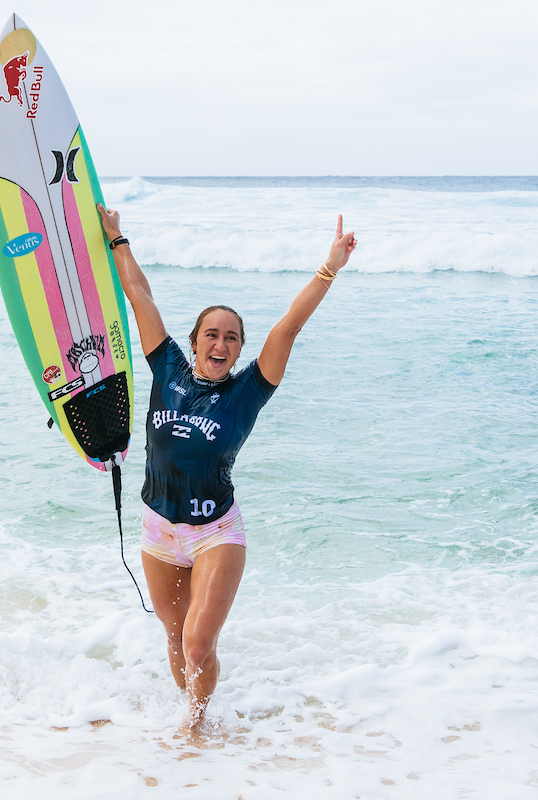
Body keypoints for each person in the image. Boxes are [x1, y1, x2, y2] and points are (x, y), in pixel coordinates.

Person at [96, 203, 357, 737]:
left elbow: (289, 326)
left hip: (216, 530)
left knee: (198, 642)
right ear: (194, 341)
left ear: (239, 350)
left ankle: (196, 725)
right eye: (212, 334)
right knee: (173, 638)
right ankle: (187, 707)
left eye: (232, 337)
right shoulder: (165, 366)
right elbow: (138, 296)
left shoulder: (247, 392)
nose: (221, 343)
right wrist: (117, 239)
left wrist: (330, 266)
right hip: (158, 528)